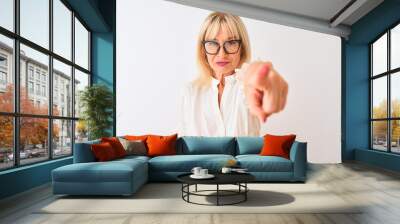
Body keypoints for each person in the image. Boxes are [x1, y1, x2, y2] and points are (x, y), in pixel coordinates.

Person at [178, 12, 288, 137]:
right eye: (213, 44)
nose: (222, 54)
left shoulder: (247, 86)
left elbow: (261, 84)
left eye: (231, 43)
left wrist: (267, 82)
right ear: (203, 50)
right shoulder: (190, 92)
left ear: (242, 48)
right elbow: (183, 144)